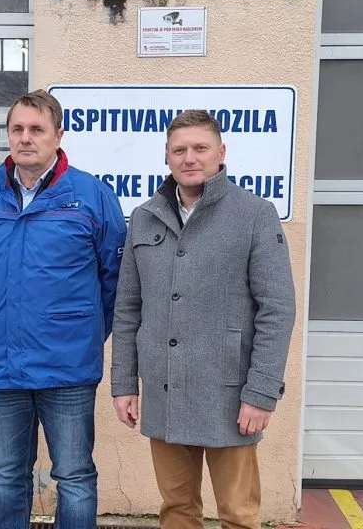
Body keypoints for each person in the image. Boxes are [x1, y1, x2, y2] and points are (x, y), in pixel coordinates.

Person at [110, 109, 296, 529]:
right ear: (167, 156)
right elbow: (127, 308)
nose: (189, 158)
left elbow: (277, 308)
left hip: (230, 396)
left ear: (221, 152)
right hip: (165, 391)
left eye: (200, 148)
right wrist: (124, 384)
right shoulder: (145, 216)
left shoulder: (254, 214)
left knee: (238, 514)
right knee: (176, 510)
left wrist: (261, 393)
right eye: (179, 150)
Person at [0, 89, 127, 529]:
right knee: (7, 476)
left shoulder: (91, 195)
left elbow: (114, 278)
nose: (25, 138)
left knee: (74, 476)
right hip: (4, 365)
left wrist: (82, 330)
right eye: (17, 129)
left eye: (37, 129)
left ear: (58, 135)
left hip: (67, 367)